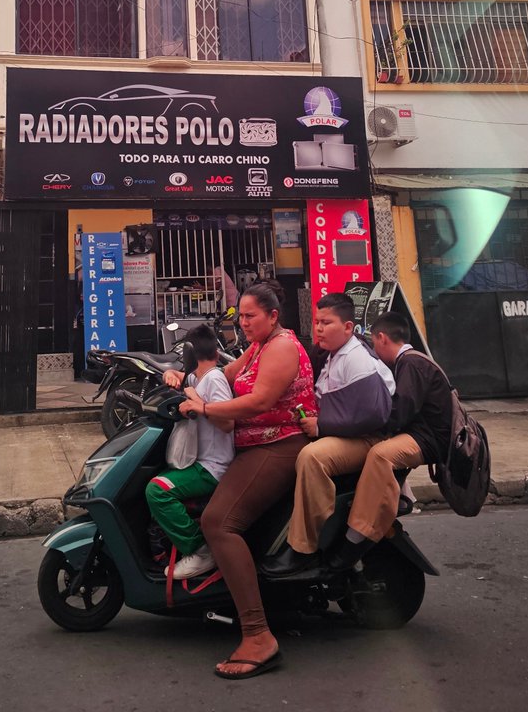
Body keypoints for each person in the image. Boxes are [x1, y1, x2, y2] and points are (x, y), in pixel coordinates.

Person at [172, 280, 316, 680]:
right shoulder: (258, 347)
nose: (245, 322)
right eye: (242, 316)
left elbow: (259, 401)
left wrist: (202, 406)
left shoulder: (283, 346)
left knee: (218, 522)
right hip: (253, 446)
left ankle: (257, 635)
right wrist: (180, 378)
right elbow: (220, 374)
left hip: (279, 446)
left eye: (251, 316)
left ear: (273, 316)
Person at [261, 291, 395, 579]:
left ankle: (303, 549)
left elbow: (372, 415)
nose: (319, 328)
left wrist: (321, 426)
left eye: (327, 323)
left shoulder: (356, 359)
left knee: (313, 457)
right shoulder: (333, 355)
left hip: (366, 438)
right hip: (347, 434)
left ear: (348, 327)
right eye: (317, 322)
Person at [145, 324, 235, 580]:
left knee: (156, 491)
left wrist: (199, 404)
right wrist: (171, 374)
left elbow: (228, 423)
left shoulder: (214, 379)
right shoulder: (197, 377)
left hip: (212, 468)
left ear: (190, 354)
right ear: (216, 352)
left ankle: (200, 550)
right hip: (198, 461)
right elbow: (182, 379)